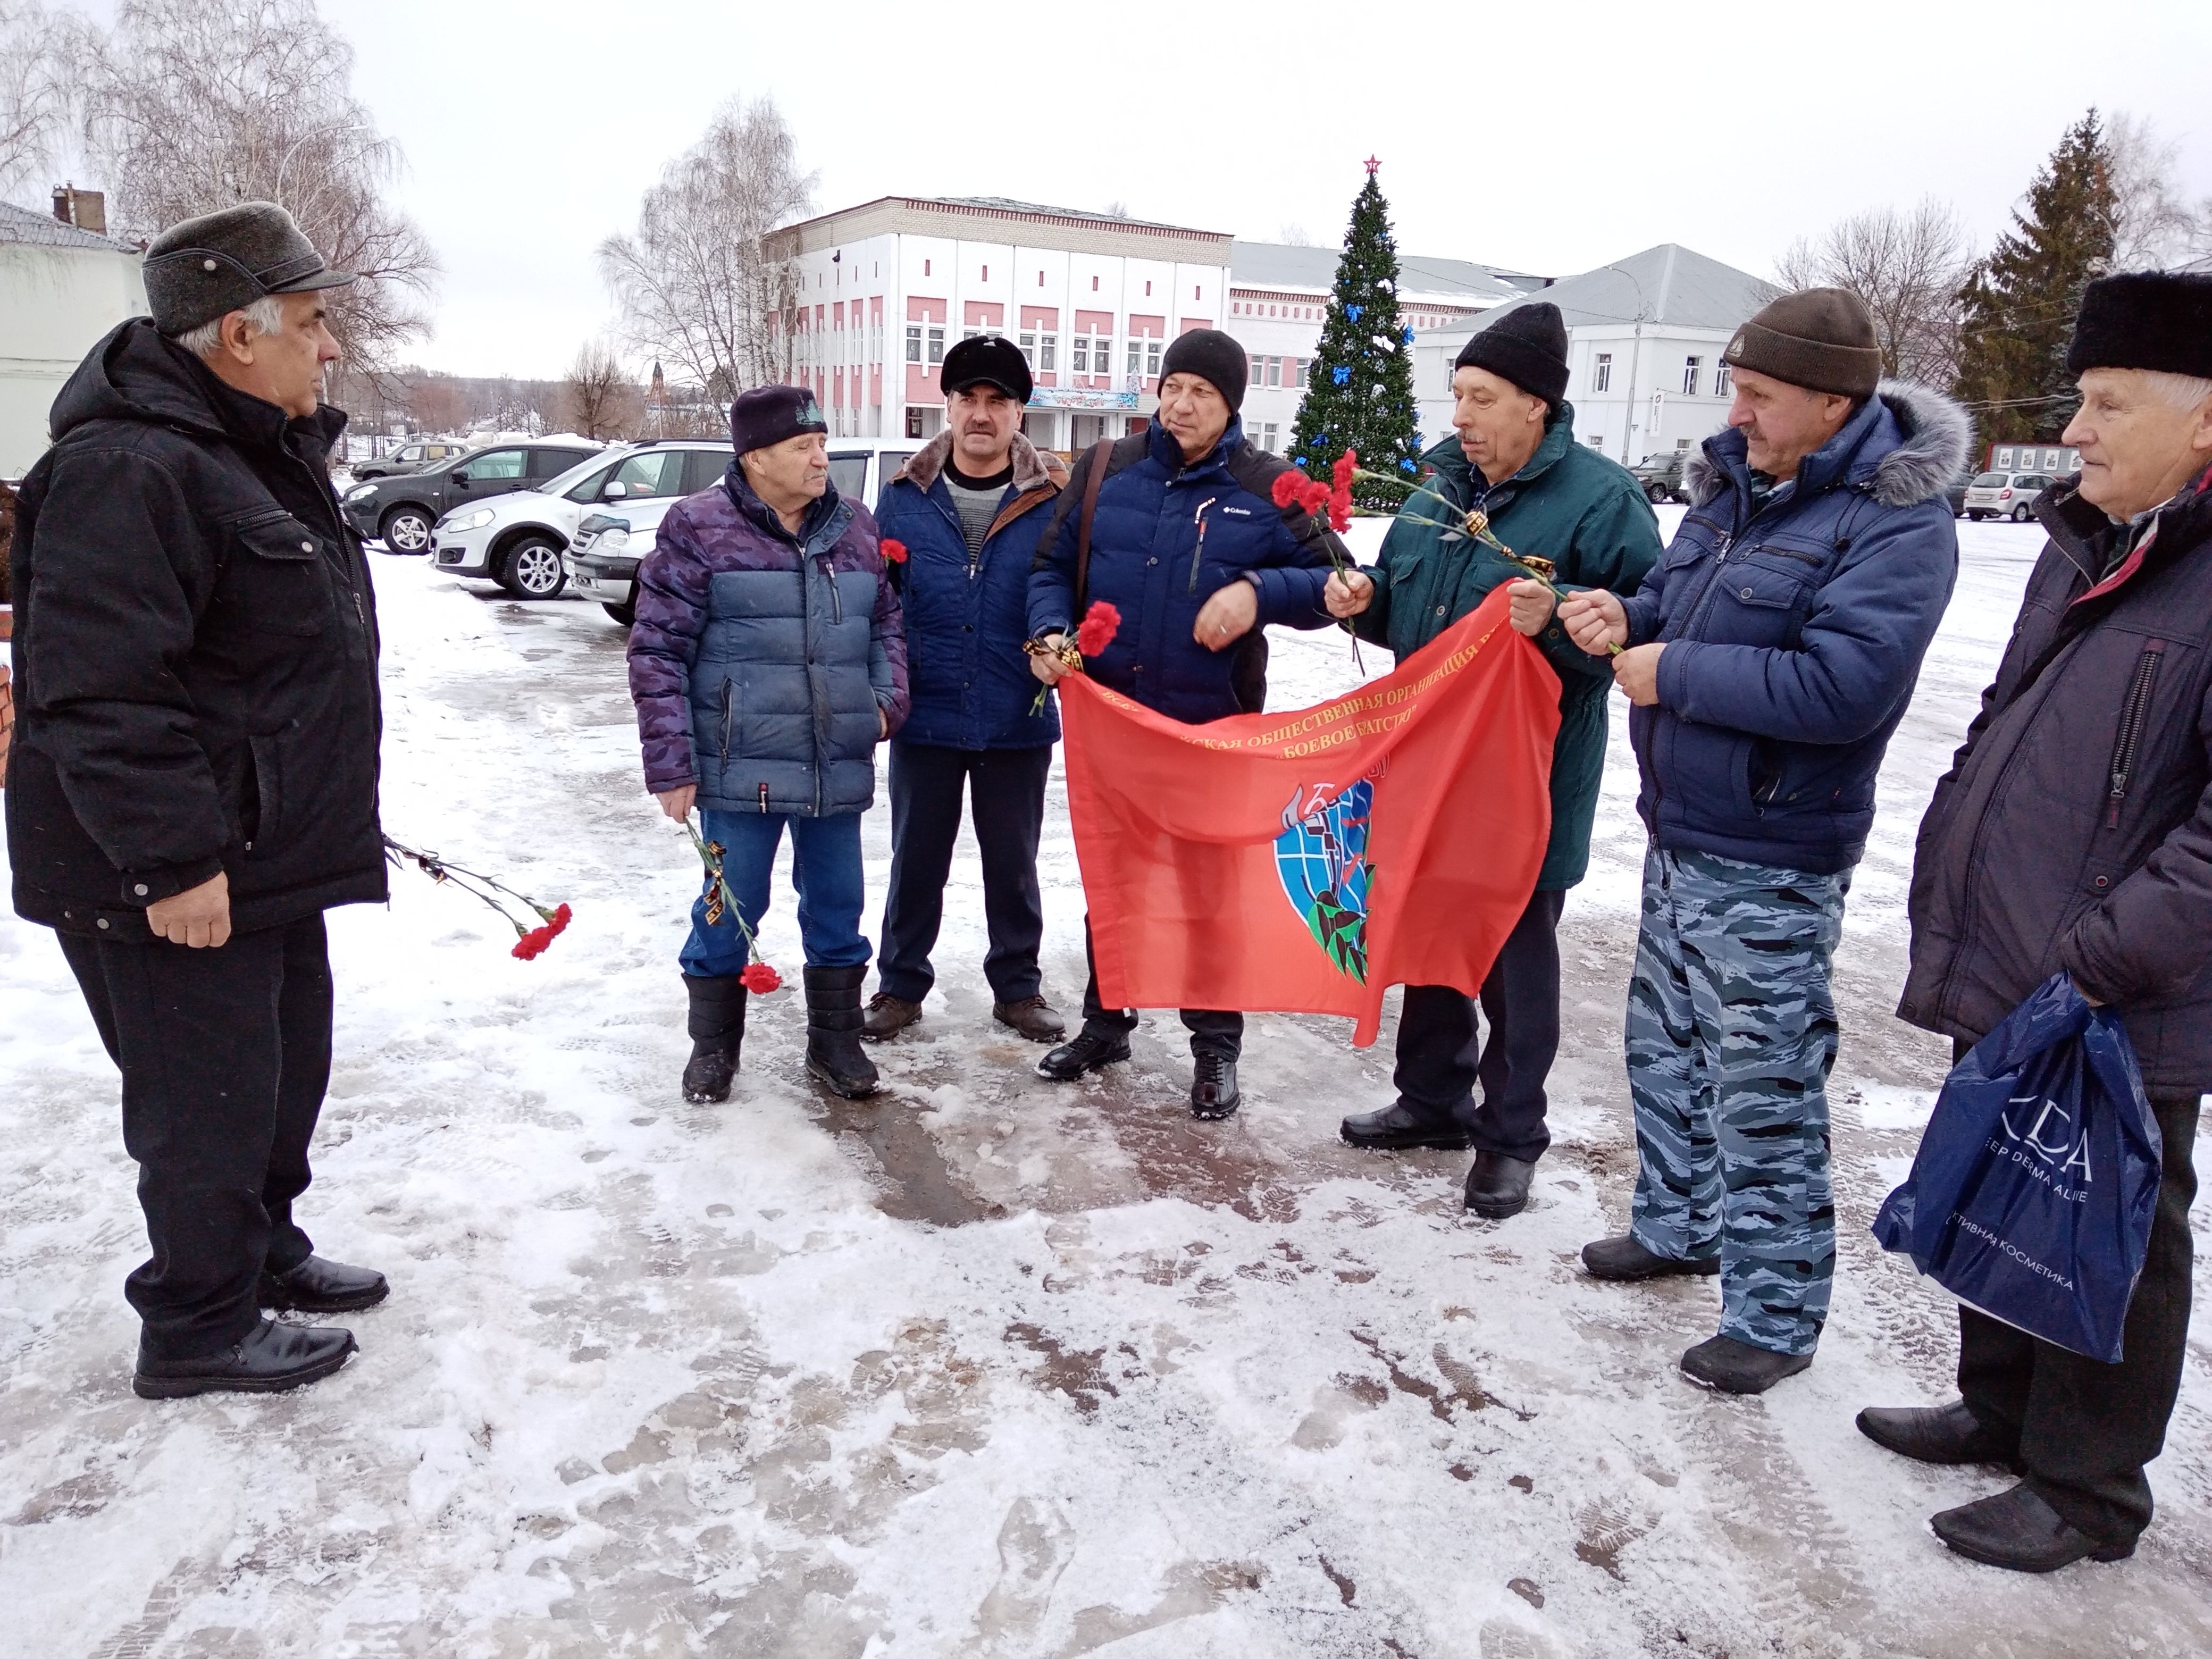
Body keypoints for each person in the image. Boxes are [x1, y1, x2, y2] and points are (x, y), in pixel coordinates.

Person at [5, 203, 389, 1398]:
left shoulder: (245, 453)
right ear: (236, 334)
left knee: (279, 1076)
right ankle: (197, 1323)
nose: (330, 348)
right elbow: (100, 690)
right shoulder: (129, 465)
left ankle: (259, 1254)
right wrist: (171, 864)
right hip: (170, 867)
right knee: (204, 1101)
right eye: (314, 324)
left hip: (263, 843)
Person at [1557, 288, 1967, 1394]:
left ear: (1833, 403)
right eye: (1734, 389)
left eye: (1756, 394)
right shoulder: (1735, 488)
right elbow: (1668, 597)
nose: (1733, 412)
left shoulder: (1894, 523)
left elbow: (1847, 687)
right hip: (1680, 830)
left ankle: (1776, 1314)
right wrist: (1622, 617)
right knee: (1666, 1052)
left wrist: (1670, 669)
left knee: (1762, 1088)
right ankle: (1677, 1224)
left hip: (1775, 855)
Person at [1876, 271, 2212, 1573]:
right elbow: (2006, 726)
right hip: (2024, 955)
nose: (2072, 431)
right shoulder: (2093, 539)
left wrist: (2102, 955)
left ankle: (2086, 1492)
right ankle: (2001, 1410)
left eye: (2105, 403)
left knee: (2119, 1222)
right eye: (2079, 398)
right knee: (2004, 1170)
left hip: (2127, 982)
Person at [1323, 303, 1662, 1219]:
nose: (1462, 416)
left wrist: (1559, 620)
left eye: (1481, 398)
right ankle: (1434, 1096)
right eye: (1459, 396)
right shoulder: (1439, 483)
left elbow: (1647, 631)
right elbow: (1404, 603)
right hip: (1427, 766)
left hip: (1527, 775)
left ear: (1536, 408)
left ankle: (1511, 1137)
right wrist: (1361, 599)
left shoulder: (1601, 499)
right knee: (1432, 926)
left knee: (1514, 955)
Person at [1027, 329, 1346, 1118]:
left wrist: (1258, 595)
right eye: (1172, 386)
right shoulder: (1109, 468)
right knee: (1116, 875)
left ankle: (1215, 1047)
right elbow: (1047, 568)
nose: (1181, 403)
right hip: (1116, 721)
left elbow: (1338, 585)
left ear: (1231, 402)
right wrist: (1048, 633)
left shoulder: (1267, 487)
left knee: (1208, 892)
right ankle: (1108, 1022)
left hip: (1214, 728)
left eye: (1201, 390)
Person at [629, 385, 909, 1104]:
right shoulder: (698, 528)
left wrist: (884, 705)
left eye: (822, 442)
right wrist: (671, 763)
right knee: (730, 907)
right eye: (803, 447)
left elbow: (886, 628)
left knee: (839, 908)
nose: (822, 458)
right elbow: (657, 649)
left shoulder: (853, 526)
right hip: (738, 765)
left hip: (832, 762)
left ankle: (836, 1045)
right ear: (755, 459)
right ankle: (713, 1049)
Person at [863, 336, 1069, 1046]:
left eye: (998, 401)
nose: (981, 415)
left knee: (1014, 863)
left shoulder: (1056, 499)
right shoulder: (900, 499)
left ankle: (1018, 988)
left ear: (1021, 413)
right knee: (915, 860)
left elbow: (1072, 589)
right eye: (968, 400)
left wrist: (1062, 643)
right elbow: (876, 606)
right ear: (947, 406)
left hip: (1018, 713)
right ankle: (898, 986)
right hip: (926, 714)